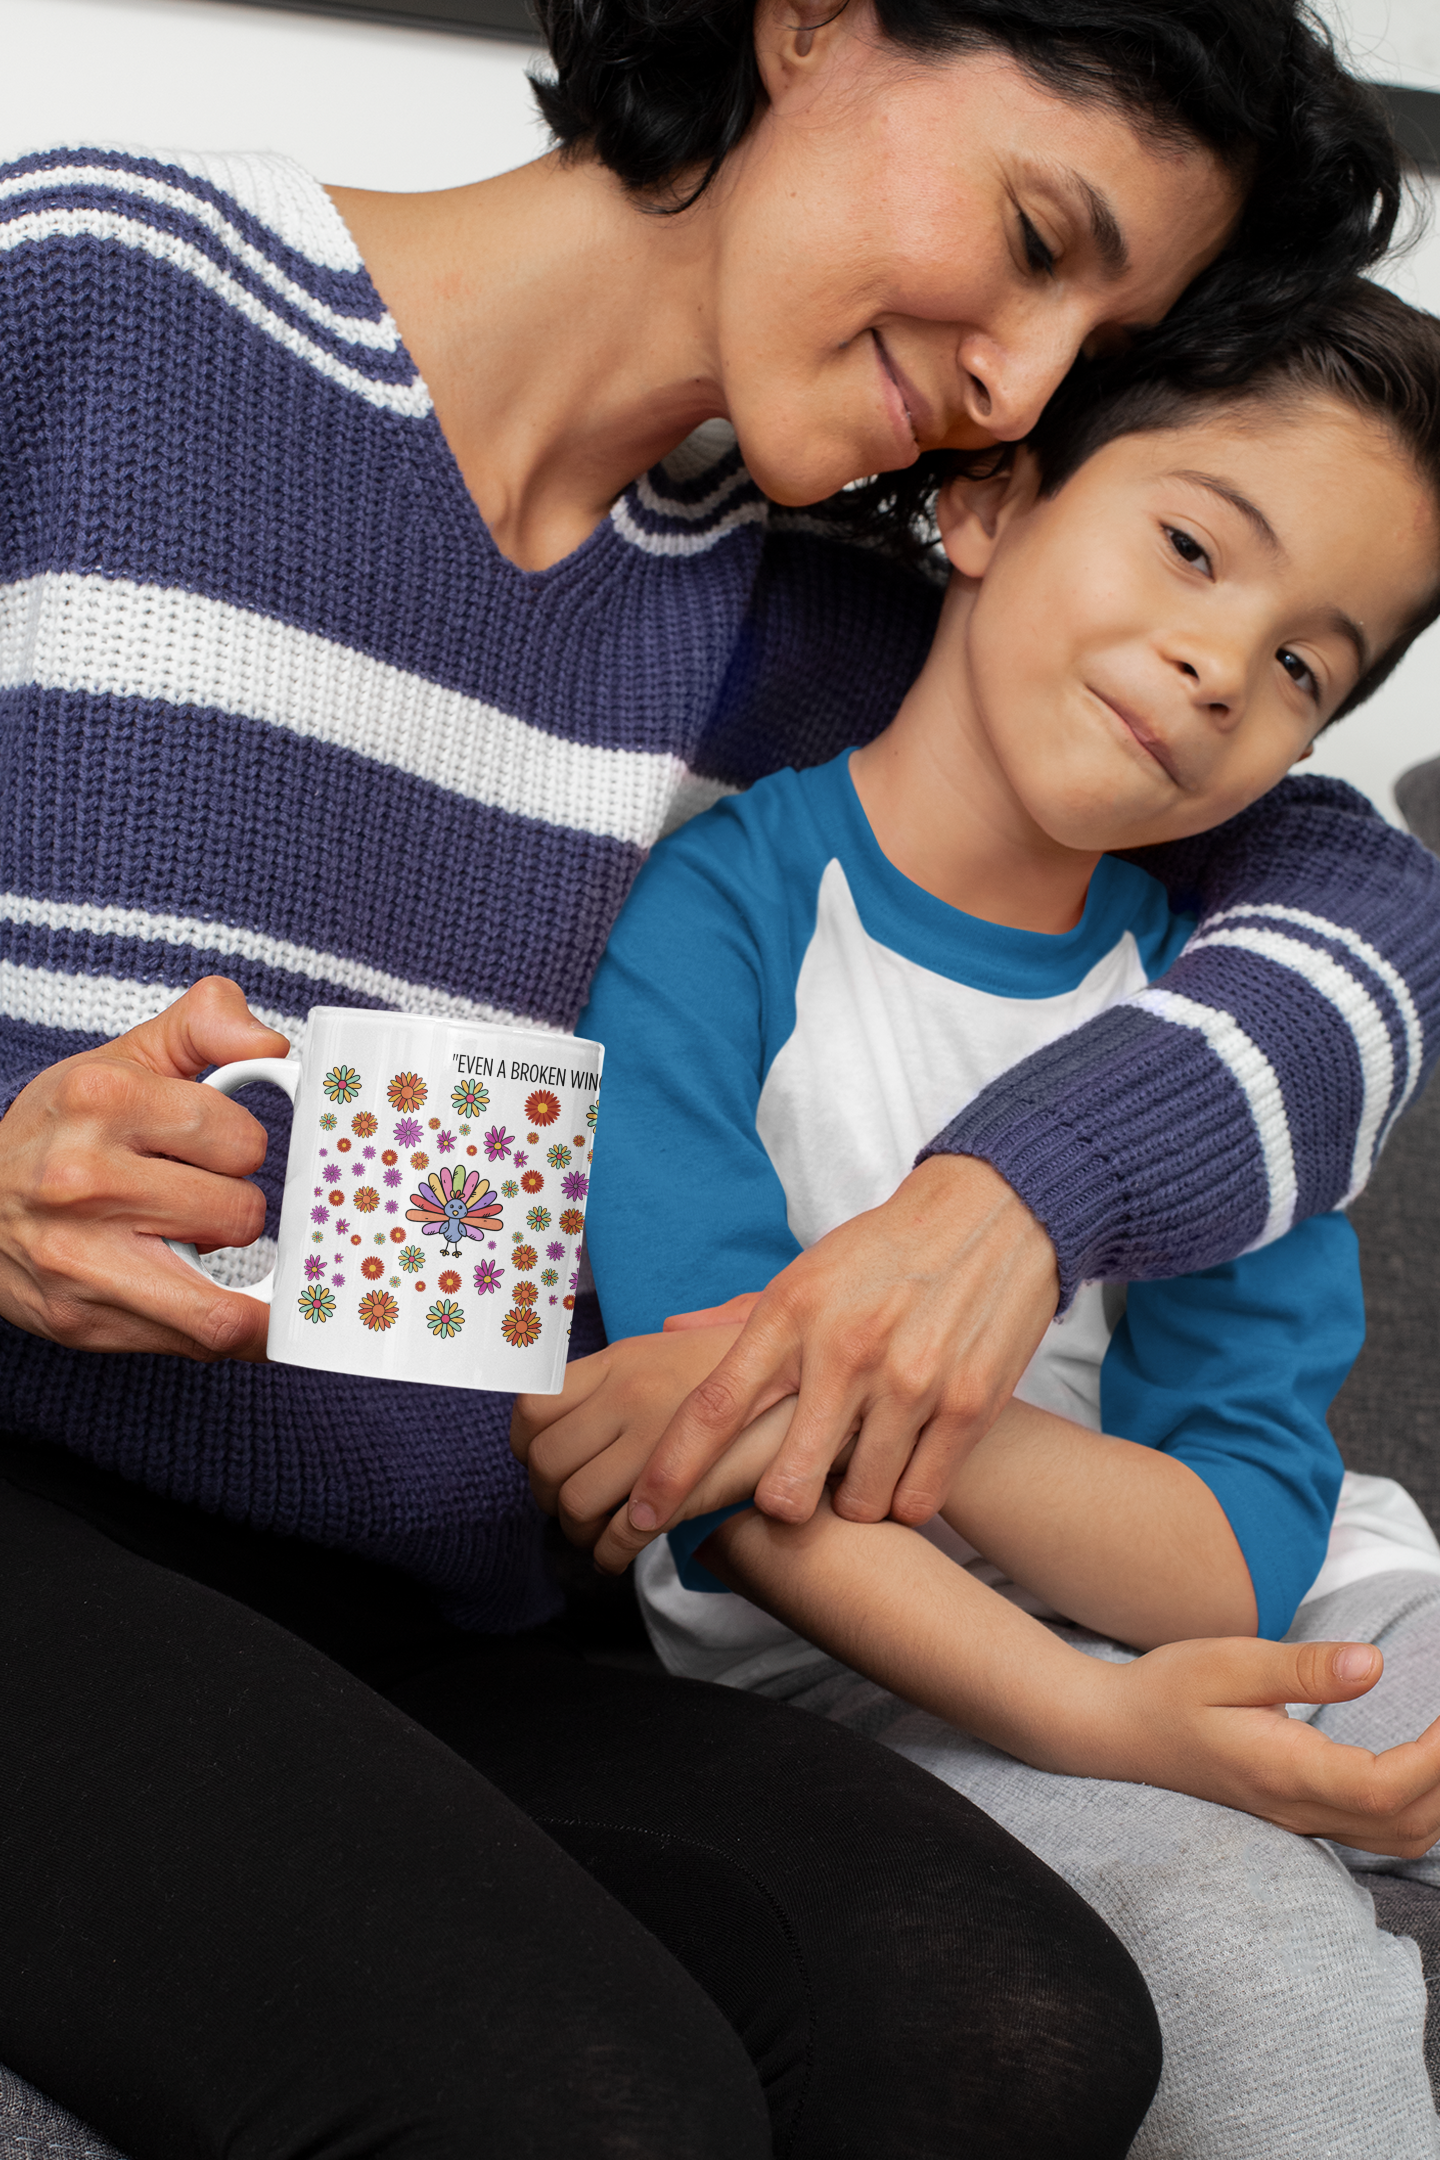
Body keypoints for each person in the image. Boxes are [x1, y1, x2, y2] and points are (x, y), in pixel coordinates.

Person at [0, 0, 1431, 2151]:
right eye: (1037, 235)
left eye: (1095, 332)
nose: (1019, 385)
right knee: (570, 2100)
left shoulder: (800, 593)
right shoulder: (101, 297)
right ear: (813, 24)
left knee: (1016, 2031)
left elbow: (1355, 889)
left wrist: (1016, 1193)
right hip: (37, 1517)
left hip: (456, 1603)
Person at [553, 279, 1440, 2156]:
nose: (1223, 663)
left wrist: (817, 1370)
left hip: (1305, 1603)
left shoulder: (1221, 1033)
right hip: (861, 1671)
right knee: (1266, 1982)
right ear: (988, 504)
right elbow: (730, 1495)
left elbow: (1238, 1562)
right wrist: (1095, 1708)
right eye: (1195, 547)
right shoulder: (716, 918)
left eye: (1307, 666)